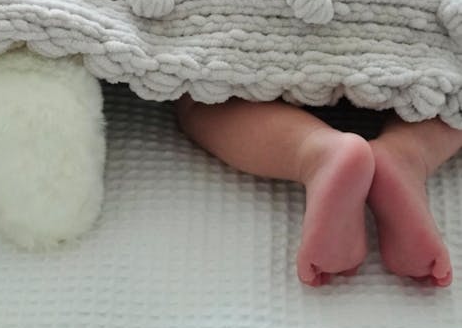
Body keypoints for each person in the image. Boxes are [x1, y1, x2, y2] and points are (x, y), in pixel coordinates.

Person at [174, 94, 462, 287]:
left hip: (270, 33)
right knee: (451, 93)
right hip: (406, 36)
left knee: (203, 100)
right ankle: (408, 152)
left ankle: (314, 150)